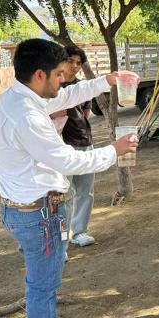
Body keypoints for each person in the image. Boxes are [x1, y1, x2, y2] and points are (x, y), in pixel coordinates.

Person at [0, 38, 138, 318]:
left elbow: (65, 96)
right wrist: (113, 152)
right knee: (42, 290)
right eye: (58, 75)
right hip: (39, 214)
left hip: (26, 209)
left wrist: (107, 81)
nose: (63, 82)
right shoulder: (27, 116)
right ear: (39, 74)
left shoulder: (18, 97)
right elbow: (68, 160)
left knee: (40, 288)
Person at [56, 45, 98, 248]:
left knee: (85, 191)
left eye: (78, 63)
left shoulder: (83, 88)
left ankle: (80, 231)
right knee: (64, 194)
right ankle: (60, 236)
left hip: (84, 142)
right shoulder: (52, 87)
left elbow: (85, 115)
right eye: (70, 61)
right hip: (62, 148)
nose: (74, 66)